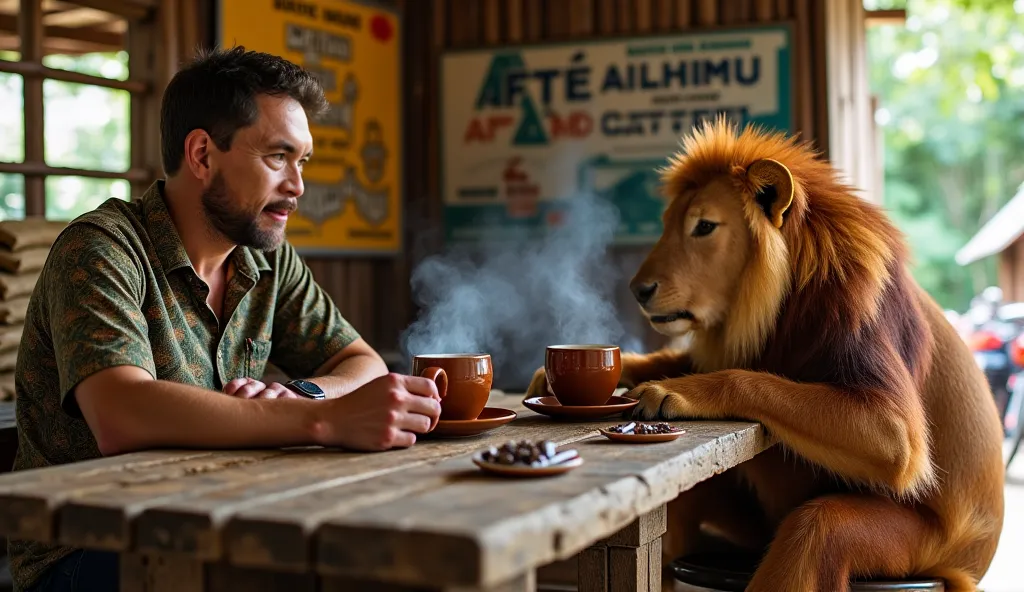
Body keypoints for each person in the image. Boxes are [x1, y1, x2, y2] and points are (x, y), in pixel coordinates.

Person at [7, 46, 441, 592]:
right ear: (202, 155)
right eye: (277, 157)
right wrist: (325, 420)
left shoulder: (265, 258)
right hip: (90, 550)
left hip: (220, 520)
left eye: (301, 161)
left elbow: (362, 364)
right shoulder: (102, 248)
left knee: (393, 559)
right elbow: (121, 413)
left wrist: (305, 393)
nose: (298, 186)